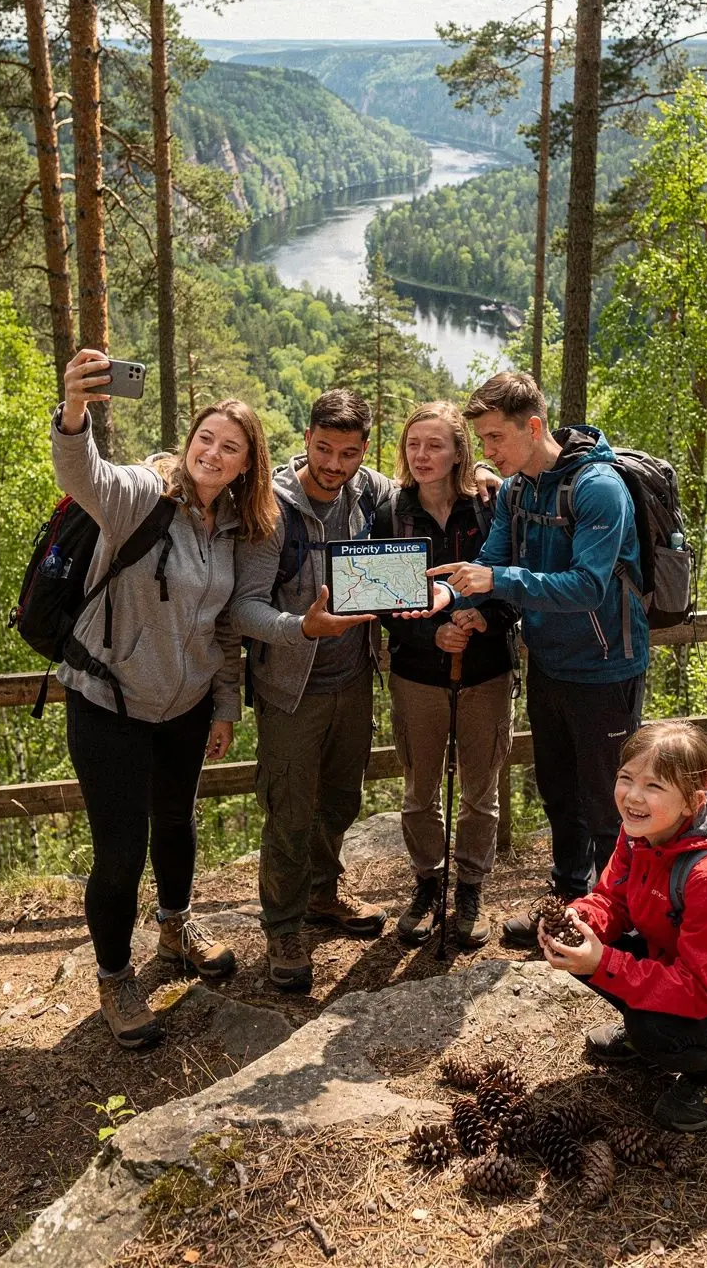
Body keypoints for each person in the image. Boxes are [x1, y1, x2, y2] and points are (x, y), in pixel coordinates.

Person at [230, 389, 499, 992]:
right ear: (305, 439)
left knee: (340, 801)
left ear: (364, 453)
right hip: (290, 687)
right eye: (323, 448)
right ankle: (284, 927)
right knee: (289, 811)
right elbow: (241, 607)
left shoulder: (370, 494)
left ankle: (324, 895)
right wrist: (301, 626)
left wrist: (478, 470)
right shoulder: (271, 511)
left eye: (348, 452)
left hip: (352, 681)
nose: (333, 463)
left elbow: (433, 474)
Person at [55, 348, 276, 1050]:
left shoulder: (235, 529)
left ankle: (176, 929)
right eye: (205, 438)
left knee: (176, 824)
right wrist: (73, 409)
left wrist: (225, 705)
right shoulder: (141, 496)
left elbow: (223, 628)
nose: (213, 452)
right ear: (190, 444)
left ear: (247, 465)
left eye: (230, 446)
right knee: (120, 851)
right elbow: (81, 471)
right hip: (108, 702)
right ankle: (117, 974)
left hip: (182, 709)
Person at [409, 371, 649, 941]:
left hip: (606, 666)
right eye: (483, 439)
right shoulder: (519, 491)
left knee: (609, 801)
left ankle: (620, 920)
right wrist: (453, 600)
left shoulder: (597, 487)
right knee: (558, 789)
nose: (486, 452)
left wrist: (498, 579)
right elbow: (491, 561)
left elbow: (588, 585)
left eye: (495, 438)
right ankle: (568, 902)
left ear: (533, 426)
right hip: (548, 662)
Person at [539, 721, 707, 1133]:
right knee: (577, 945)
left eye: (654, 787)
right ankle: (650, 1037)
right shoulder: (641, 831)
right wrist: (582, 919)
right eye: (626, 779)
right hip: (676, 960)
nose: (633, 797)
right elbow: (614, 898)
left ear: (691, 802)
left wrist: (603, 962)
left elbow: (697, 990)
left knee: (652, 1025)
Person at [373, 402, 518, 950]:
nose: (422, 456)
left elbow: (514, 579)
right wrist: (429, 636)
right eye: (414, 445)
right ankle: (427, 884)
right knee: (419, 789)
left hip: (486, 670)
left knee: (481, 790)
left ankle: (471, 889)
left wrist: (484, 618)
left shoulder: (488, 507)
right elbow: (379, 599)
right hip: (416, 674)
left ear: (460, 450)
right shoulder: (392, 513)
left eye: (435, 445)